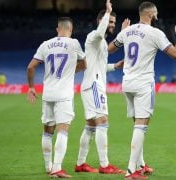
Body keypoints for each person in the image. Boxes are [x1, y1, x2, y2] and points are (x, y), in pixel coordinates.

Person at [108, 1, 176, 179]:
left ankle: (141, 164)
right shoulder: (155, 33)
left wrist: (122, 32)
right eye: (156, 13)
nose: (157, 16)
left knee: (137, 125)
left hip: (127, 83)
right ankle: (131, 171)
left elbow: (109, 49)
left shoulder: (127, 31)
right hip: (143, 83)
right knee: (141, 126)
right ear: (150, 14)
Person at [27, 17, 86, 178]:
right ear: (71, 29)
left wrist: (31, 87)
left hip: (48, 93)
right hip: (64, 94)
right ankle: (57, 168)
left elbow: (31, 67)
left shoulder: (45, 44)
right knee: (63, 130)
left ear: (57, 29)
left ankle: (48, 167)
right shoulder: (74, 43)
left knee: (47, 132)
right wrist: (72, 70)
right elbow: (85, 63)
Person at [74, 0, 126, 174]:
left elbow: (99, 66)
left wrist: (115, 66)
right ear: (102, 21)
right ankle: (105, 165)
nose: (112, 25)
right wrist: (108, 12)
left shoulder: (102, 43)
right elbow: (99, 31)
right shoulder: (93, 37)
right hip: (94, 86)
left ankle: (80, 163)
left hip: (94, 84)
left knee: (91, 125)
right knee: (102, 121)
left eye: (113, 22)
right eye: (110, 22)